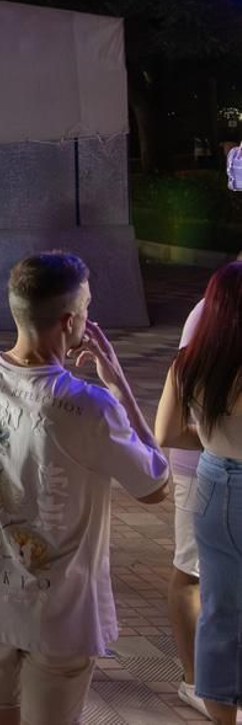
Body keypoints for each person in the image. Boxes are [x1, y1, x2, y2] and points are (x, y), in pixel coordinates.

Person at [0, 252, 168, 725]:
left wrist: (1, 518)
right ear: (70, 321)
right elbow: (156, 484)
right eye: (87, 308)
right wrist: (119, 386)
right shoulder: (89, 406)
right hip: (61, 610)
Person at [156, 262, 242, 722]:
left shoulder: (190, 362)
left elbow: (167, 432)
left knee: (219, 609)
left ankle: (222, 713)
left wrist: (211, 438)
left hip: (211, 483)